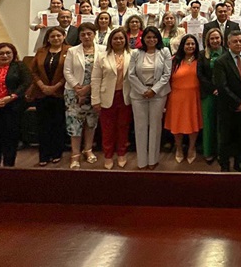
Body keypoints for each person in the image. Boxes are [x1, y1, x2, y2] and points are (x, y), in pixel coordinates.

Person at [128, 27, 173, 170]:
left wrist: (154, 90)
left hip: (158, 94)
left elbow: (167, 74)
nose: (151, 40)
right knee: (140, 127)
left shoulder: (164, 52)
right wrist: (143, 90)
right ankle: (142, 161)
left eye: (154, 37)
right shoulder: (136, 53)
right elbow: (131, 74)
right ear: (143, 39)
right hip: (138, 94)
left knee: (155, 126)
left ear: (158, 38)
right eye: (148, 37)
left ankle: (153, 160)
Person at [213, 30, 241, 172]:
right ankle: (225, 165)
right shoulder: (221, 61)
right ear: (228, 43)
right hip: (228, 107)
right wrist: (238, 103)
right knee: (225, 138)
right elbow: (222, 86)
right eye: (235, 41)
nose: (238, 43)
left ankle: (239, 162)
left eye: (240, 41)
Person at [90, 28, 132, 169]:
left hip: (125, 96)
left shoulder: (133, 54)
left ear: (125, 40)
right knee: (107, 129)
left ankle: (121, 154)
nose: (118, 41)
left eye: (121, 38)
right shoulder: (102, 56)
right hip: (107, 97)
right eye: (115, 38)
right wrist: (95, 99)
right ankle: (108, 156)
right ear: (110, 40)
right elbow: (96, 79)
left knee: (123, 127)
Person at [27, 26, 68, 166]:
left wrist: (56, 87)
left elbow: (69, 71)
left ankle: (57, 153)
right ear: (48, 38)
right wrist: (42, 86)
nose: (56, 38)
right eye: (52, 36)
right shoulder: (41, 51)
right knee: (43, 125)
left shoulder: (70, 50)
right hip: (42, 93)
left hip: (60, 93)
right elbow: (33, 71)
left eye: (58, 36)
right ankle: (44, 154)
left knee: (58, 124)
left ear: (64, 36)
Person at [63, 23, 100, 169]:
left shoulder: (102, 50)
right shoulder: (72, 51)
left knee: (91, 123)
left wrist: (88, 88)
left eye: (89, 33)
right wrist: (77, 88)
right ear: (79, 36)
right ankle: (75, 154)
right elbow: (67, 71)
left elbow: (102, 72)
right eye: (83, 34)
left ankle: (88, 150)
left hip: (94, 92)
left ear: (94, 34)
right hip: (74, 93)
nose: (86, 37)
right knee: (75, 125)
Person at [165, 34, 203, 164]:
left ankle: (191, 148)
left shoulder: (200, 60)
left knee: (193, 124)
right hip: (176, 98)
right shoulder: (174, 60)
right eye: (187, 44)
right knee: (177, 125)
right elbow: (167, 79)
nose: (190, 46)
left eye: (193, 44)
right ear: (182, 45)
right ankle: (179, 149)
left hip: (194, 97)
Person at [197, 28, 225, 165]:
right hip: (208, 94)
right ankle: (208, 152)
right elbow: (200, 74)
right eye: (212, 38)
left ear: (221, 39)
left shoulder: (227, 53)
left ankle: (221, 152)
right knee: (208, 124)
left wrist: (221, 89)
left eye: (217, 38)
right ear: (208, 40)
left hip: (224, 94)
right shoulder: (202, 54)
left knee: (222, 124)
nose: (215, 41)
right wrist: (212, 89)